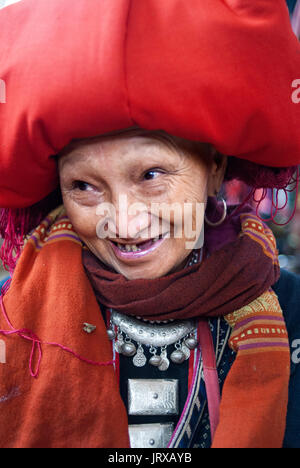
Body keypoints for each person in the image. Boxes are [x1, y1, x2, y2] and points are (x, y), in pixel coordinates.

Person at [0, 0, 300, 449]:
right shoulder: (11, 313)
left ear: (215, 168)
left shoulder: (291, 309)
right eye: (84, 186)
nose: (123, 221)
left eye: (152, 176)